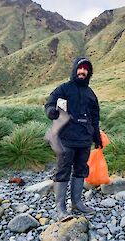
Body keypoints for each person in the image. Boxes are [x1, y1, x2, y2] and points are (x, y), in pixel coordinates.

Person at [44, 56, 102, 221]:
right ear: (75, 70)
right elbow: (49, 104)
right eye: (80, 68)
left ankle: (77, 203)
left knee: (81, 170)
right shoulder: (64, 89)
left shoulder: (90, 94)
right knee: (63, 170)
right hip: (66, 139)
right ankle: (60, 207)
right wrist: (51, 112)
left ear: (89, 73)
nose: (82, 71)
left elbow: (95, 116)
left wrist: (96, 135)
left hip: (84, 139)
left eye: (86, 69)